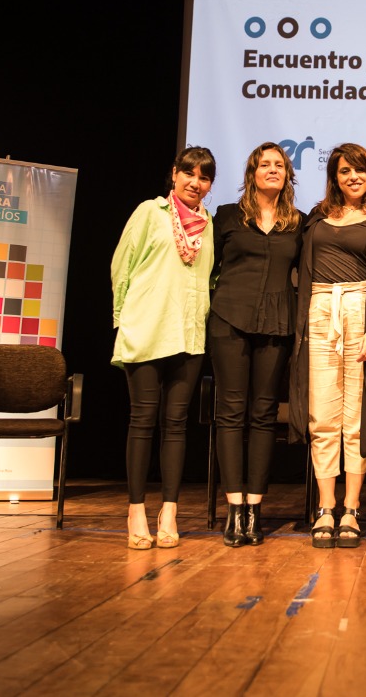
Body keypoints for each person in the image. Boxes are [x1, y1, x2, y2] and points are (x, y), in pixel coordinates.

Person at [287, 143, 366, 549]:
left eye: (359, 171)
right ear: (334, 177)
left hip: (360, 310)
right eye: (343, 171)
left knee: (356, 415)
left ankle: (351, 508)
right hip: (318, 310)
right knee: (321, 415)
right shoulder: (316, 217)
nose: (352, 177)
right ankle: (325, 506)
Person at [111, 146, 216, 549]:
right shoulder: (148, 213)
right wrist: (123, 320)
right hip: (146, 330)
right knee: (142, 421)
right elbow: (121, 266)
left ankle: (168, 510)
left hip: (189, 336)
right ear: (174, 175)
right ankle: (136, 509)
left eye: (204, 177)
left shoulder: (208, 223)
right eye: (189, 173)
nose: (195, 182)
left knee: (175, 426)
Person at [209, 142, 303, 547]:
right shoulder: (228, 217)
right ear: (252, 173)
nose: (272, 170)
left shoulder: (298, 222)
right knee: (231, 412)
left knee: (264, 414)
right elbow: (205, 269)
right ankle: (234, 509)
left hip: (276, 323)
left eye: (279, 165)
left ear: (287, 174)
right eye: (264, 164)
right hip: (229, 319)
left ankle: (255, 509)